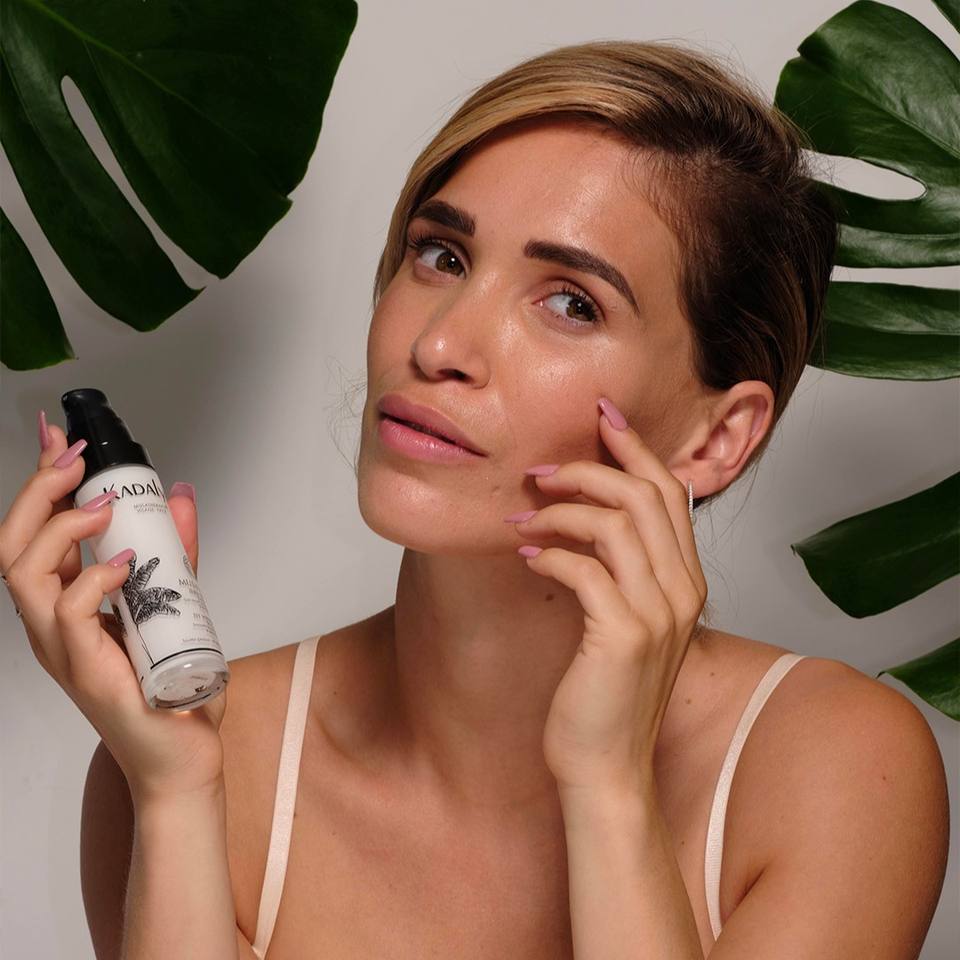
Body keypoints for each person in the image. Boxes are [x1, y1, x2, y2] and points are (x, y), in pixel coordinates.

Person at [2, 39, 948, 960]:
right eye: (442, 256)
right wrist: (175, 792)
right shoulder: (194, 754)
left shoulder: (833, 766)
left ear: (715, 438)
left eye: (572, 302)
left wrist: (609, 785)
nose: (440, 345)